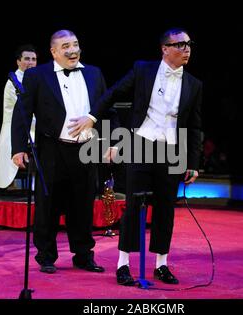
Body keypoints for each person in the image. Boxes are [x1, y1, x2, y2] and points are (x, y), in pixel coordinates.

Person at [69, 28, 202, 285]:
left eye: (189, 44)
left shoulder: (194, 84)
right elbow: (114, 93)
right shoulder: (143, 70)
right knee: (133, 206)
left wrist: (193, 163)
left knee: (165, 209)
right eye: (180, 44)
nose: (187, 49)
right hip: (141, 144)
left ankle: (161, 265)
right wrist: (92, 117)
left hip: (172, 151)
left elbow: (195, 126)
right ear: (165, 48)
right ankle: (123, 263)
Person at [11, 30, 106, 274]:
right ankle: (46, 255)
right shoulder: (37, 75)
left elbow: (107, 109)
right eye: (65, 46)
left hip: (86, 149)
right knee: (48, 204)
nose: (72, 50)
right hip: (51, 148)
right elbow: (22, 112)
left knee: (83, 204)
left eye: (75, 44)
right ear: (54, 51)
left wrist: (109, 143)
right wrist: (19, 148)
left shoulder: (94, 73)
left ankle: (83, 255)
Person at [0, 44, 37, 189]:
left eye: (33, 59)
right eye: (27, 59)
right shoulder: (13, 83)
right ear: (18, 61)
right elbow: (24, 112)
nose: (30, 62)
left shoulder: (35, 80)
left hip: (33, 127)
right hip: (15, 130)